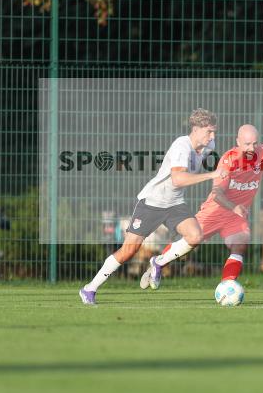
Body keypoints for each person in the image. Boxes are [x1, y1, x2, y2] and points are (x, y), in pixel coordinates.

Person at [79, 109, 227, 305]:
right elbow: (178, 179)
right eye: (209, 131)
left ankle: (158, 262)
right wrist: (212, 174)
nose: (213, 136)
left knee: (195, 236)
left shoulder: (209, 145)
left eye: (214, 131)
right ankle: (89, 289)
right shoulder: (181, 146)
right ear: (196, 129)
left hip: (175, 203)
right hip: (152, 202)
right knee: (128, 251)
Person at [147, 125, 263, 283]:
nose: (252, 148)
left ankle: (227, 285)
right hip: (214, 212)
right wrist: (234, 207)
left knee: (240, 245)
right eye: (247, 144)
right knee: (191, 241)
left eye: (254, 143)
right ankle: (158, 262)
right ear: (238, 142)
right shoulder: (229, 161)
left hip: (235, 217)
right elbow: (217, 194)